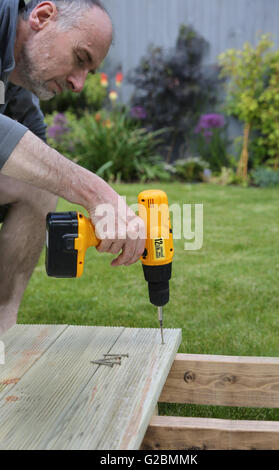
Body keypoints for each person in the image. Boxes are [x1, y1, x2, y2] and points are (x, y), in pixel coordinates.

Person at [0, 0, 145, 335]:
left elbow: (36, 161)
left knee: (37, 183)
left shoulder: (16, 91)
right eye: (80, 59)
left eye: (88, 72)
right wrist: (96, 193)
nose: (79, 84)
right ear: (43, 16)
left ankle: (3, 331)